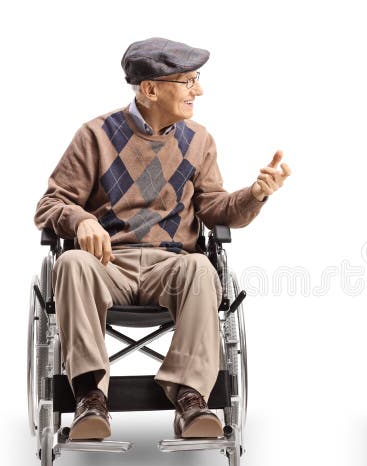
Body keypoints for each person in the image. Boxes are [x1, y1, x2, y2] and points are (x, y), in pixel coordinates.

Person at [34, 37, 291, 440]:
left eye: (196, 80)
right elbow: (49, 205)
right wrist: (80, 218)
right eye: (188, 81)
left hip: (170, 267)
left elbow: (215, 210)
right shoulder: (95, 136)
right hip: (106, 264)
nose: (198, 91)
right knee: (70, 263)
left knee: (202, 268)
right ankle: (90, 398)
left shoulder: (198, 141)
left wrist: (255, 194)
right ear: (150, 89)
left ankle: (190, 398)